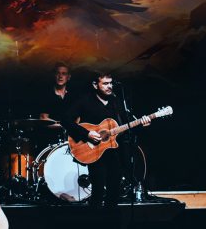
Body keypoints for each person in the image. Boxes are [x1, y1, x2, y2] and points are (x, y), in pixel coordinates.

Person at [61, 70, 149, 211]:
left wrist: (141, 125)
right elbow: (65, 120)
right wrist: (87, 134)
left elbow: (126, 126)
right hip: (94, 152)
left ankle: (111, 219)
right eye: (105, 83)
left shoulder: (117, 102)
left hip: (115, 152)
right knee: (98, 191)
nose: (109, 86)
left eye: (110, 83)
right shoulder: (85, 100)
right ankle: (96, 220)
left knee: (114, 191)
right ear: (95, 85)